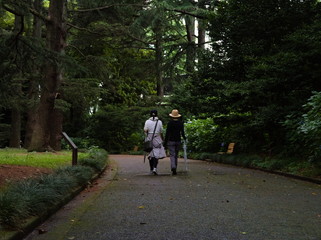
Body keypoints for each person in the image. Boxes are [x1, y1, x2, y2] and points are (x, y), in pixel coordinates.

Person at [164, 109, 186, 175]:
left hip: (171, 140)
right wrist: (184, 138)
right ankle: (175, 167)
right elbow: (182, 132)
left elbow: (167, 133)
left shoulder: (170, 123)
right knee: (176, 155)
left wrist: (165, 142)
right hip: (178, 140)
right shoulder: (180, 123)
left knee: (172, 155)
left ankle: (173, 166)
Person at [144, 110, 166, 175]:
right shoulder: (159, 122)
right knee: (156, 154)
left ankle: (151, 169)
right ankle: (155, 168)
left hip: (149, 138)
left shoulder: (147, 121)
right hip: (157, 138)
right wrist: (162, 139)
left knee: (151, 154)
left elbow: (145, 130)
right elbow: (161, 131)